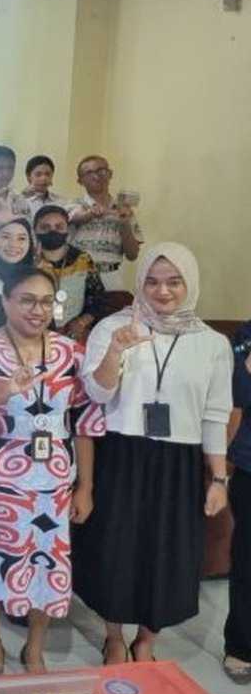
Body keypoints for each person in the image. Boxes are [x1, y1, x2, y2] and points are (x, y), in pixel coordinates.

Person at [73, 242, 232, 665]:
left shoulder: (212, 344)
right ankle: (112, 635)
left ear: (190, 283)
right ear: (140, 283)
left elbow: (215, 415)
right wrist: (116, 350)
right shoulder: (113, 327)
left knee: (167, 554)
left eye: (174, 281)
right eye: (153, 281)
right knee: (115, 549)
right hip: (120, 456)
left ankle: (146, 639)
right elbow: (96, 392)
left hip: (178, 463)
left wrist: (218, 479)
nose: (163, 291)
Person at [0, 267, 103, 675]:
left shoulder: (70, 352)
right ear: (6, 301)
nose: (37, 310)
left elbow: (85, 423)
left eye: (46, 301)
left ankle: (34, 647)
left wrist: (86, 486)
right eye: (26, 299)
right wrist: (6, 388)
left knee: (48, 565)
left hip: (54, 481)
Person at [67, 155, 142, 291]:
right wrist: (91, 214)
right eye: (89, 173)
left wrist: (125, 223)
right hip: (78, 276)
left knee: (114, 311)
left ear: (110, 174)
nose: (96, 176)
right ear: (80, 181)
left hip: (112, 278)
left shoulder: (124, 210)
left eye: (101, 170)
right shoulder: (73, 205)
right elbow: (77, 218)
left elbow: (133, 255)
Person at [33, 204, 104, 343]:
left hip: (73, 335)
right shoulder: (28, 261)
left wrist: (82, 322)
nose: (52, 231)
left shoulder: (83, 259)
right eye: (45, 227)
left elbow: (99, 298)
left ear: (67, 230)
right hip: (34, 333)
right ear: (35, 230)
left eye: (59, 227)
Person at [225, 319, 251, 684]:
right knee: (247, 562)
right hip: (250, 464)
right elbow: (237, 396)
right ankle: (241, 647)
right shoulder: (246, 336)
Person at [22, 155, 65, 219]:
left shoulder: (60, 201)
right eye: (38, 174)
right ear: (29, 177)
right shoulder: (21, 200)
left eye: (47, 174)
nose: (44, 178)